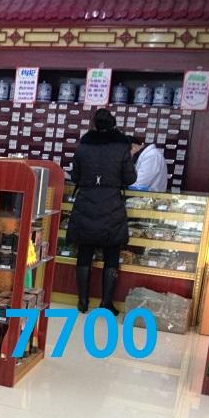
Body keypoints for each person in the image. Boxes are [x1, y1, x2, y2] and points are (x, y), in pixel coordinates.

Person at [67, 108, 136, 315]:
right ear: (113, 124)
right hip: (111, 206)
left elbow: (75, 176)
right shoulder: (121, 146)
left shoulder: (84, 146)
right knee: (111, 255)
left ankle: (82, 301)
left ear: (94, 125)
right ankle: (106, 303)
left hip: (86, 204)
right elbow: (130, 178)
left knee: (84, 253)